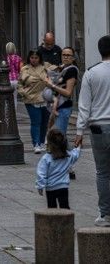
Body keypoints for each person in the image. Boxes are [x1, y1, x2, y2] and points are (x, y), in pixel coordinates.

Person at [75, 34, 110, 226]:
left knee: (103, 172)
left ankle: (105, 214)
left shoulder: (91, 73)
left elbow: (84, 106)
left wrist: (79, 131)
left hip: (98, 128)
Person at [20, 49, 54, 153]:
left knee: (44, 122)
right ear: (29, 58)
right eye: (32, 58)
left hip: (45, 98)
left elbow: (55, 71)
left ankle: (42, 142)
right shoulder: (25, 69)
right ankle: (36, 144)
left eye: (36, 58)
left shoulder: (45, 66)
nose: (34, 60)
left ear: (39, 58)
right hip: (31, 99)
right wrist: (24, 93)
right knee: (36, 122)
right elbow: (20, 83)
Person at [37, 129, 81, 209]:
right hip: (63, 187)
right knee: (65, 207)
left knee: (51, 208)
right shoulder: (68, 156)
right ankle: (66, 221)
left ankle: (53, 221)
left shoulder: (46, 158)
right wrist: (78, 146)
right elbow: (76, 154)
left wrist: (40, 186)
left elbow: (41, 173)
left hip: (50, 188)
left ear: (49, 143)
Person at [47, 47, 79, 134]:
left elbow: (68, 93)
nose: (65, 57)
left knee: (59, 135)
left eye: (68, 55)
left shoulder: (72, 70)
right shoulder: (62, 68)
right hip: (56, 105)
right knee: (57, 134)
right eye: (63, 55)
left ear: (73, 58)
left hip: (64, 106)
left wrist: (52, 85)